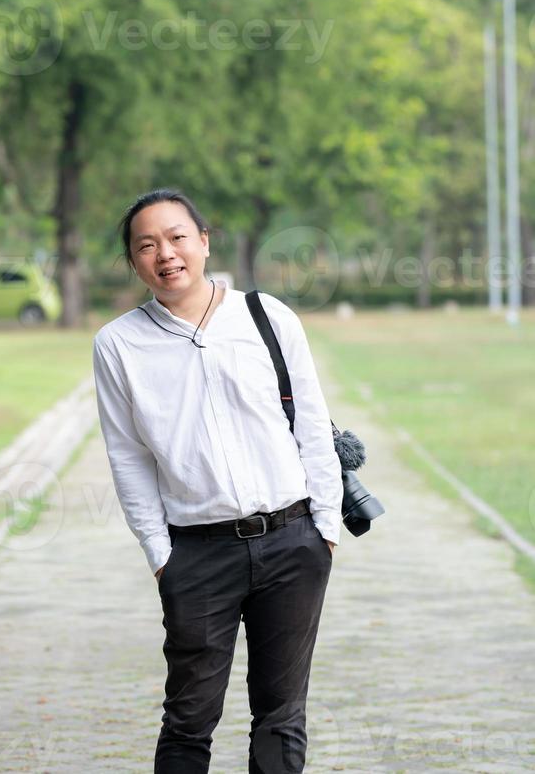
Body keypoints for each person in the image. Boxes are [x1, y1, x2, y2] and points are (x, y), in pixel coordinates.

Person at [92, 187, 343, 774]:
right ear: (134, 261)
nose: (166, 254)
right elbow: (127, 458)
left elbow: (311, 424)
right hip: (196, 554)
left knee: (281, 717)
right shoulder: (118, 344)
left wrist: (323, 530)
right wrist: (161, 555)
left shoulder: (267, 316)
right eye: (146, 245)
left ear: (203, 242)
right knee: (187, 720)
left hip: (292, 542)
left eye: (177, 237)